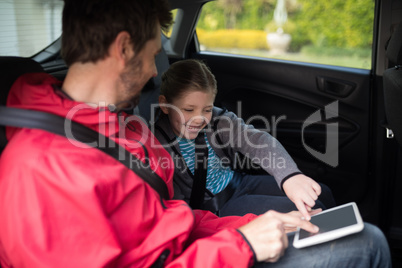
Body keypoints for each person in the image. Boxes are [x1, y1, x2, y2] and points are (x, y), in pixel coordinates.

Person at [0, 0, 391, 267]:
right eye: (154, 53)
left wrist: (251, 224)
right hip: (214, 255)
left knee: (347, 230)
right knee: (369, 244)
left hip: (208, 245)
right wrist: (242, 244)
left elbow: (172, 220)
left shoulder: (119, 128)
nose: (155, 71)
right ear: (123, 48)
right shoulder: (37, 171)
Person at [154, 59, 335, 218]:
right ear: (165, 104)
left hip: (239, 183)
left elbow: (257, 141)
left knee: (321, 194)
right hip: (216, 208)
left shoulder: (218, 121)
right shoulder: (158, 144)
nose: (199, 118)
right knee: (312, 209)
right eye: (188, 109)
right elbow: (174, 201)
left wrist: (290, 176)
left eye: (206, 109)